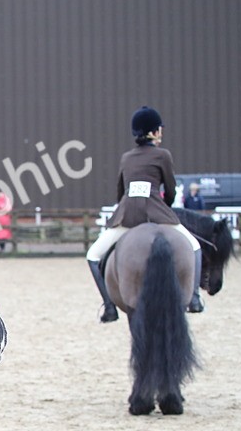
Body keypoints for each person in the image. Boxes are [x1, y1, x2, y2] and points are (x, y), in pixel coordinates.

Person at [85, 106, 203, 322]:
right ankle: (194, 298)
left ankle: (110, 307)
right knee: (194, 247)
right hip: (157, 212)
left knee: (93, 256)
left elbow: (121, 192)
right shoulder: (163, 155)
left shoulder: (126, 158)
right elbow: (170, 188)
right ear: (154, 131)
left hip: (127, 214)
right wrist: (164, 206)